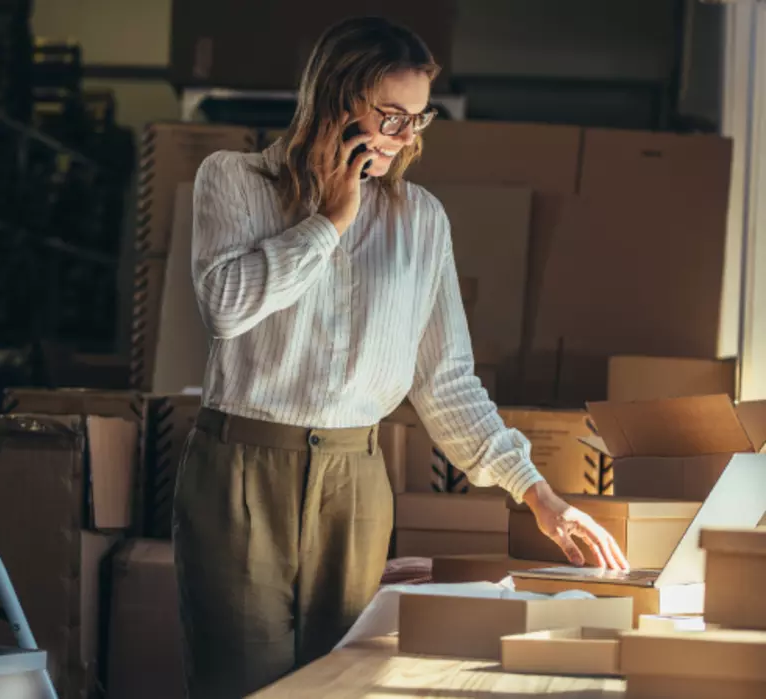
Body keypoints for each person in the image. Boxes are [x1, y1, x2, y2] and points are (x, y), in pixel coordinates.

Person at [172, 15, 629, 699]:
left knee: (345, 682)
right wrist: (330, 219)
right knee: (243, 683)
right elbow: (226, 307)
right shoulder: (236, 181)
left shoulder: (420, 221)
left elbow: (447, 382)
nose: (405, 137)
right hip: (242, 469)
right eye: (391, 116)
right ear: (336, 98)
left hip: (356, 480)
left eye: (418, 119)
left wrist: (539, 493)